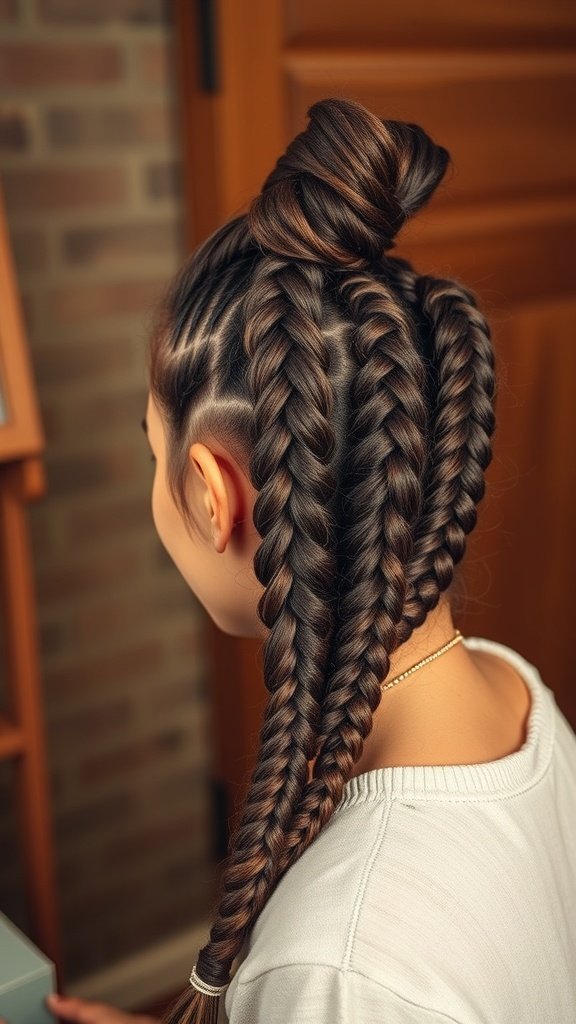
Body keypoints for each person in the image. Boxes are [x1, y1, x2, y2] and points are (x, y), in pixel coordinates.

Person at [43, 98, 576, 1024]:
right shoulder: (518, 699)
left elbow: (368, 980)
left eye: (149, 451)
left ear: (215, 496)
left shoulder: (342, 970)